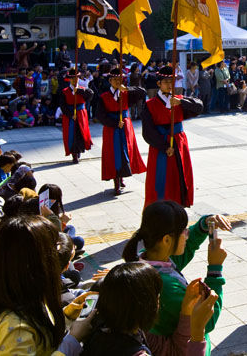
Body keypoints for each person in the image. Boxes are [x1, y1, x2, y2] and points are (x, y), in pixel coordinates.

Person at [0, 215, 96, 355]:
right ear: (35, 261)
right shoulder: (16, 329)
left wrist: (67, 317)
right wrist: (72, 340)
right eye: (52, 247)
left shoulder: (25, 298)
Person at [121, 201, 230, 354]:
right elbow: (207, 320)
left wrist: (204, 225)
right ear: (166, 240)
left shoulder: (150, 258)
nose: (187, 234)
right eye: (184, 230)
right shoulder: (166, 286)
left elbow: (188, 245)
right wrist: (215, 270)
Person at [140, 66, 203, 208]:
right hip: (161, 146)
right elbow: (148, 132)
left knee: (179, 176)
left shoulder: (179, 100)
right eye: (166, 82)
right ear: (158, 84)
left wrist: (182, 102)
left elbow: (199, 106)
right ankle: (160, 210)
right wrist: (164, 146)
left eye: (171, 81)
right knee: (161, 179)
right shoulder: (150, 104)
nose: (169, 85)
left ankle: (179, 206)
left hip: (179, 145)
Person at [96, 68, 147, 195]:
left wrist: (128, 89)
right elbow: (100, 115)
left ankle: (123, 175)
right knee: (114, 153)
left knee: (126, 151)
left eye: (120, 79)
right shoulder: (104, 96)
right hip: (111, 128)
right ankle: (116, 181)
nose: (118, 82)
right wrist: (113, 123)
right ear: (110, 80)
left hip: (125, 126)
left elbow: (142, 92)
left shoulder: (126, 93)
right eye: (115, 80)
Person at [60, 68, 94, 163]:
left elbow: (91, 95)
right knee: (72, 134)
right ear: (69, 79)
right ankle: (74, 154)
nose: (75, 80)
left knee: (80, 133)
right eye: (73, 78)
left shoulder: (82, 89)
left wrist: (78, 91)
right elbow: (62, 105)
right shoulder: (65, 91)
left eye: (77, 78)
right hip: (70, 115)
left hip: (81, 114)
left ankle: (79, 151)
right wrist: (70, 114)